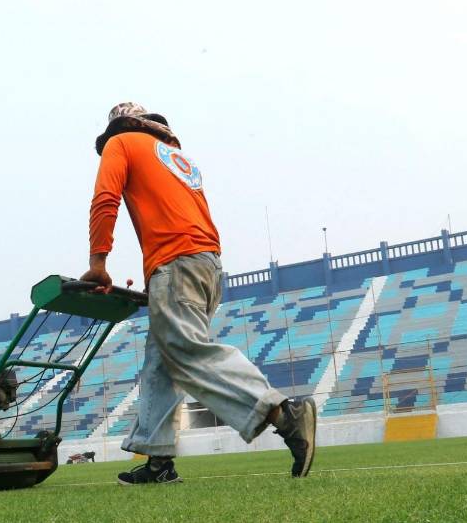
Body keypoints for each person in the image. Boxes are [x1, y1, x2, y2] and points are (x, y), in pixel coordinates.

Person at [81, 102, 317, 484]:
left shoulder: (121, 143)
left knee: (187, 351)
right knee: (161, 361)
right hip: (205, 263)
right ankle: (158, 461)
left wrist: (98, 262)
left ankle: (283, 413)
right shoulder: (175, 157)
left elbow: (105, 198)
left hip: (176, 261)